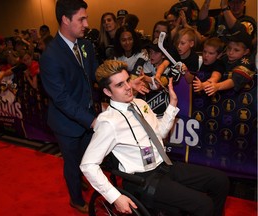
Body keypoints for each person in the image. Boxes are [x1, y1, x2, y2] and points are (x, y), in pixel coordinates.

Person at [80, 60, 229, 216]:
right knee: (203, 205)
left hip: (164, 165)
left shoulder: (139, 103)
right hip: (141, 179)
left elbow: (160, 134)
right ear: (107, 92)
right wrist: (114, 197)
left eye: (127, 80)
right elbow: (88, 165)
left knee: (220, 181)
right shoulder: (108, 122)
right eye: (119, 85)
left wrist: (173, 104)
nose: (128, 87)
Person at [39, 0, 98, 214]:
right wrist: (90, 120)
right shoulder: (50, 56)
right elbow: (61, 99)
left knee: (87, 158)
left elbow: (94, 75)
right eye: (81, 19)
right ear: (65, 19)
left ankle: (80, 179)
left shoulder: (86, 45)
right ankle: (76, 199)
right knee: (72, 165)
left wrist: (122, 81)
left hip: (87, 115)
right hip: (66, 124)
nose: (86, 23)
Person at [203, 31, 255, 96]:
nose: (230, 52)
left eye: (236, 50)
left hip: (240, 98)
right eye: (229, 48)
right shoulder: (224, 57)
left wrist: (217, 86)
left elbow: (234, 81)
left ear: (246, 51)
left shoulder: (246, 62)